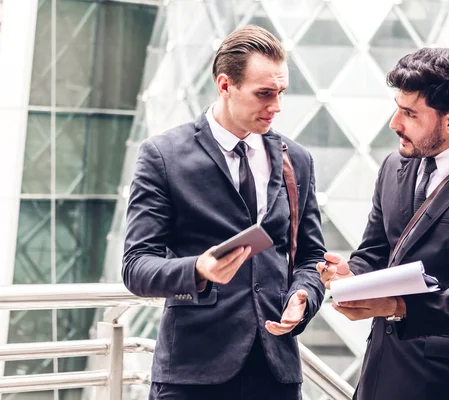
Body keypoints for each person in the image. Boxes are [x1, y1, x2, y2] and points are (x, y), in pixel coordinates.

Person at [123, 25, 326, 400]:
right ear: (225, 85)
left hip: (275, 374)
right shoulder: (163, 156)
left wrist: (303, 296)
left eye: (280, 93)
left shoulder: (296, 159)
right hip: (192, 375)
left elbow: (311, 256)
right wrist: (198, 269)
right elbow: (136, 267)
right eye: (264, 94)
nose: (276, 107)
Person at [318, 47, 449, 400]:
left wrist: (397, 306)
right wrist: (349, 276)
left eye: (409, 113)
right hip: (380, 376)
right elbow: (375, 252)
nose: (394, 124)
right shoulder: (393, 167)